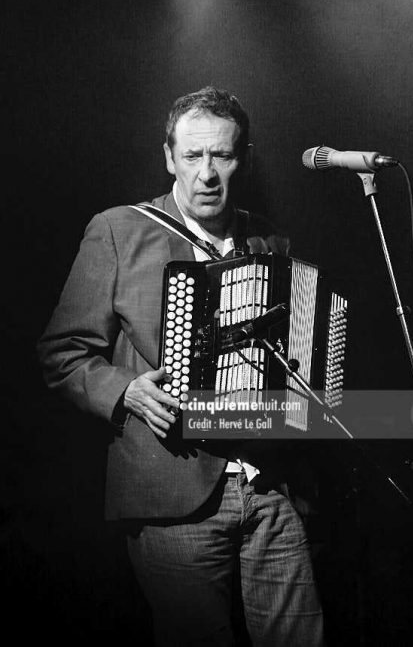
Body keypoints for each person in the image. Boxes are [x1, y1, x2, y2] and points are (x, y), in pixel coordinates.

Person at [38, 86, 325, 646]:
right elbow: (62, 352)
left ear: (244, 157)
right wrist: (126, 392)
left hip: (271, 490)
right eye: (193, 156)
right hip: (173, 493)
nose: (207, 174)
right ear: (169, 157)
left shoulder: (270, 239)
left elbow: (299, 366)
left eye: (222, 155)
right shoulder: (120, 230)